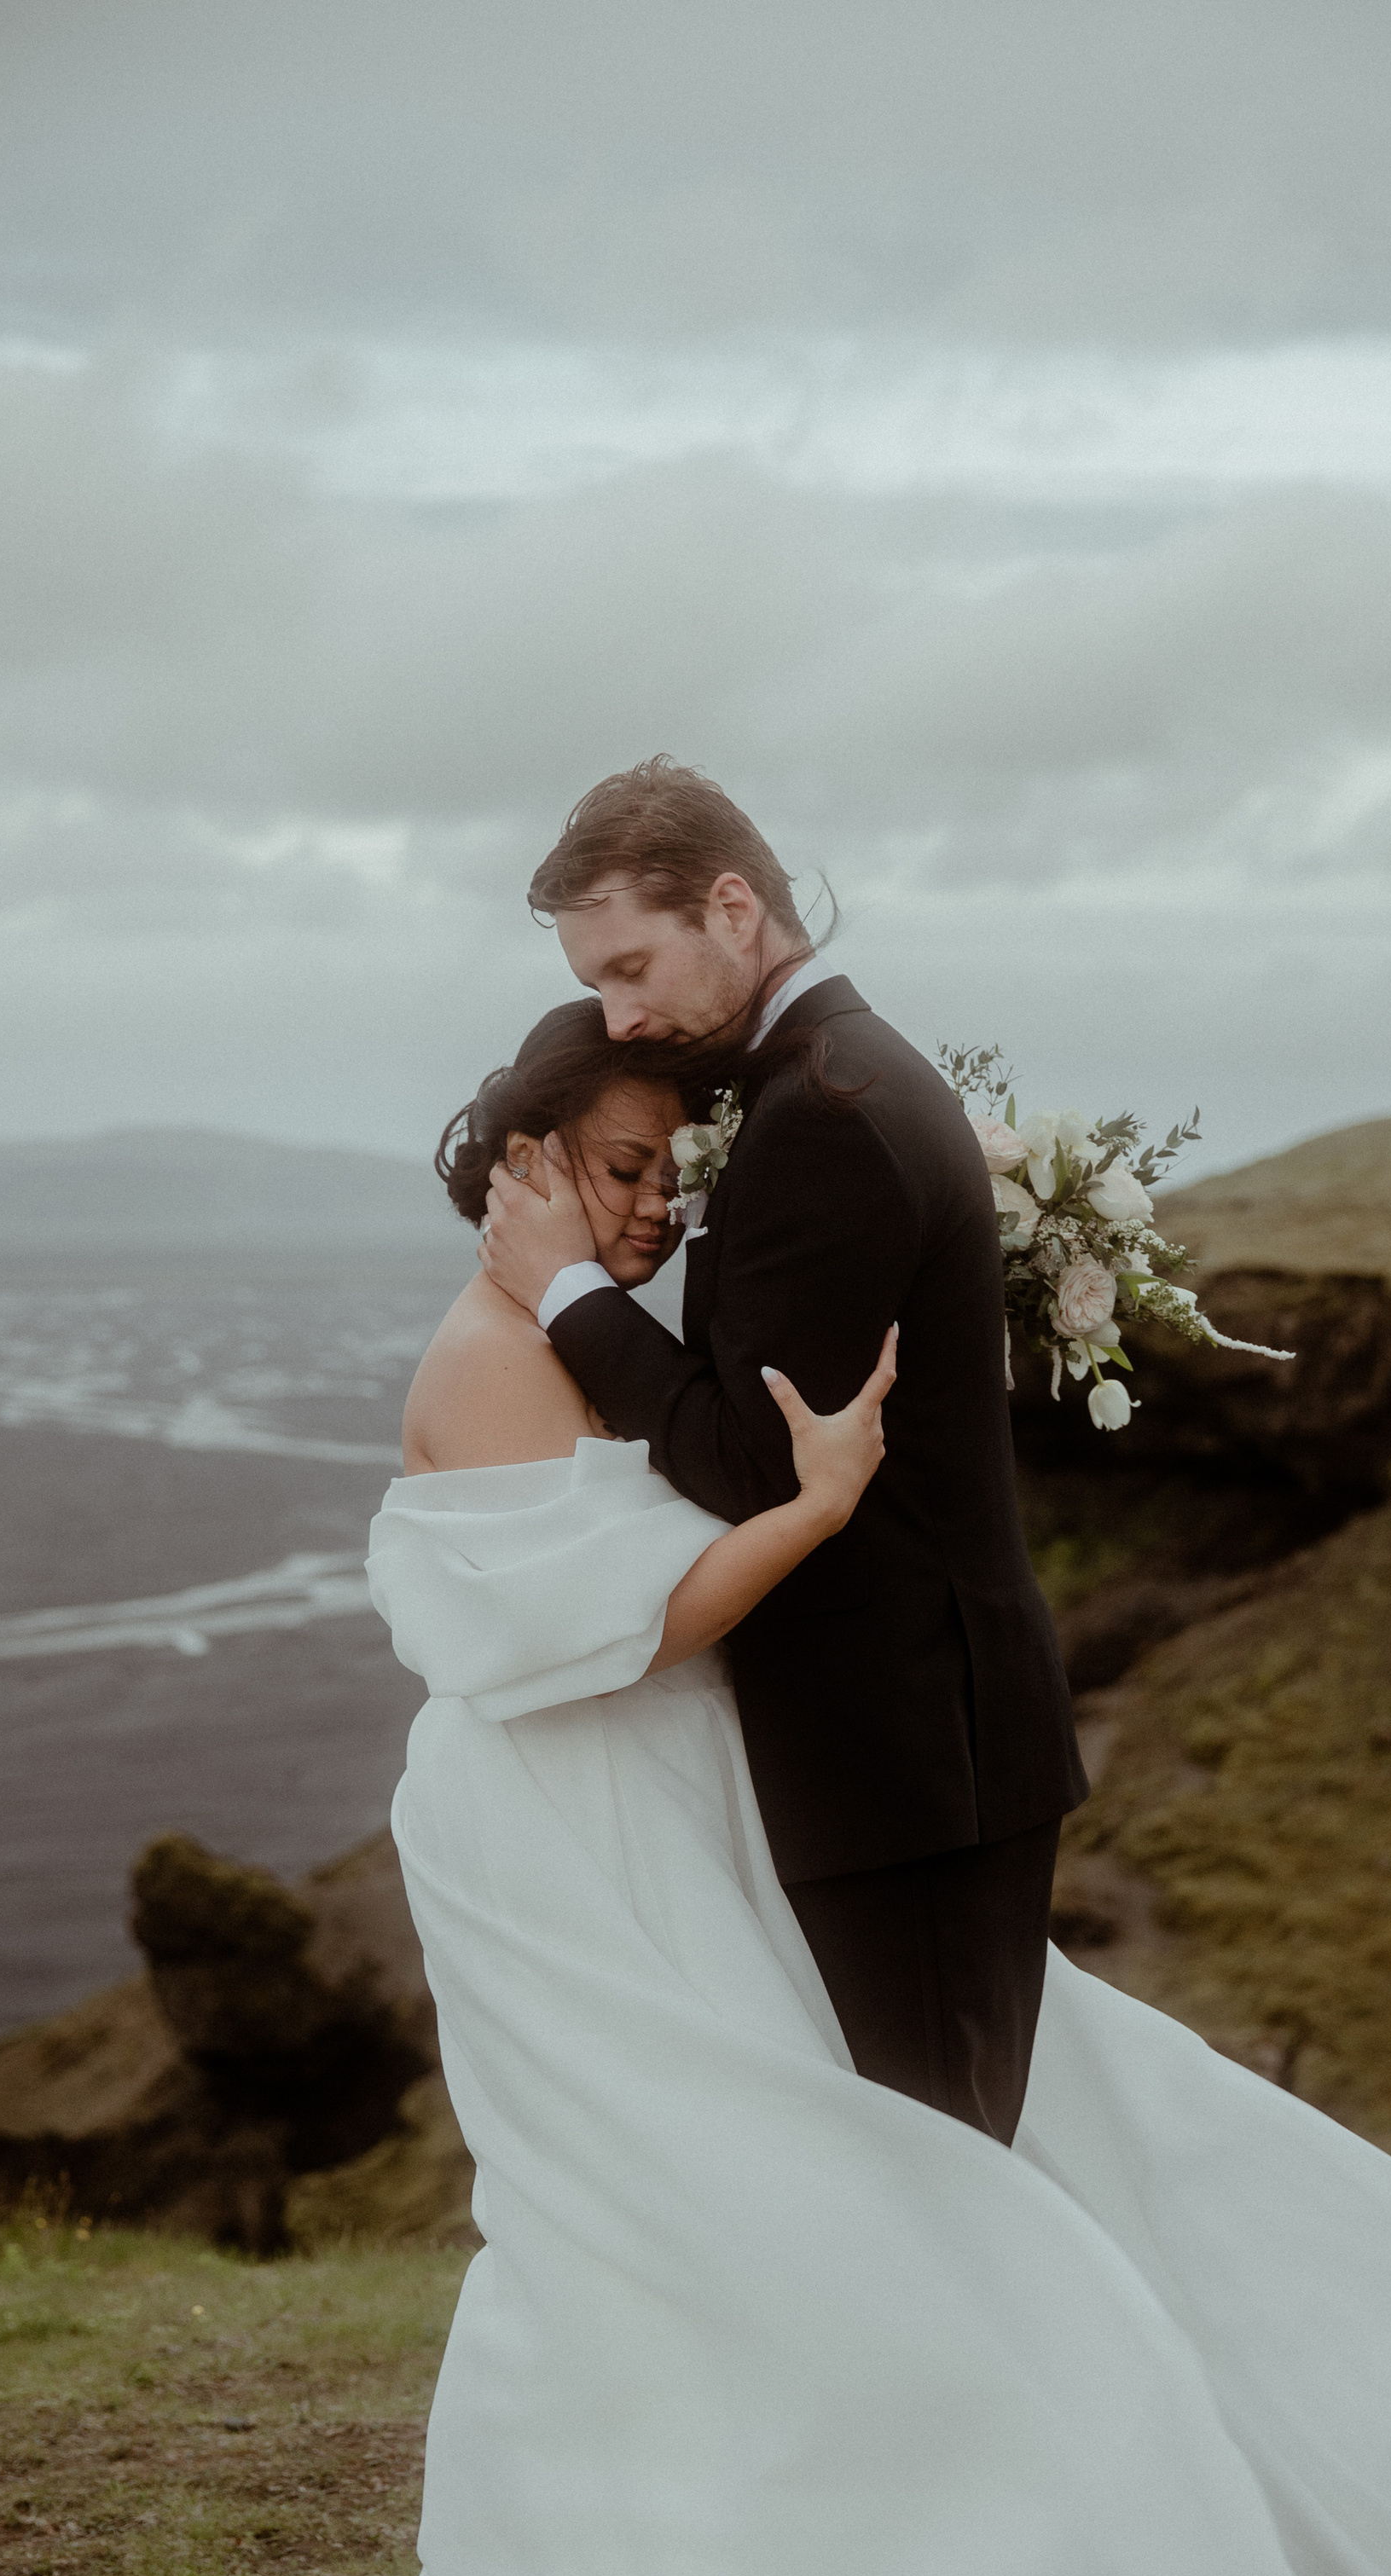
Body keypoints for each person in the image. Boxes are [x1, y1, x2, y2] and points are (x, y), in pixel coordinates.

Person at [229, 998, 1391, 2576]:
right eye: (607, 1163)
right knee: (661, 2217)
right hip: (569, 1844)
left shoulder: (581, 1322)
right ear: (515, 1155)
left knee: (770, 2194)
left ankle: (891, 2571)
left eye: (660, 1169)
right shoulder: (493, 1354)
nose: (641, 1200)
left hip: (650, 1808)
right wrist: (810, 1509)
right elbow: (622, 1622)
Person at [475, 757, 1083, 2148]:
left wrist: (566, 1292)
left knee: (938, 2172)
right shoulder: (836, 1076)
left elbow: (755, 1464)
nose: (618, 1014)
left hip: (906, 1754)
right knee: (934, 2163)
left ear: (734, 908)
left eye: (632, 965)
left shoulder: (826, 1116)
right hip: (925, 1744)